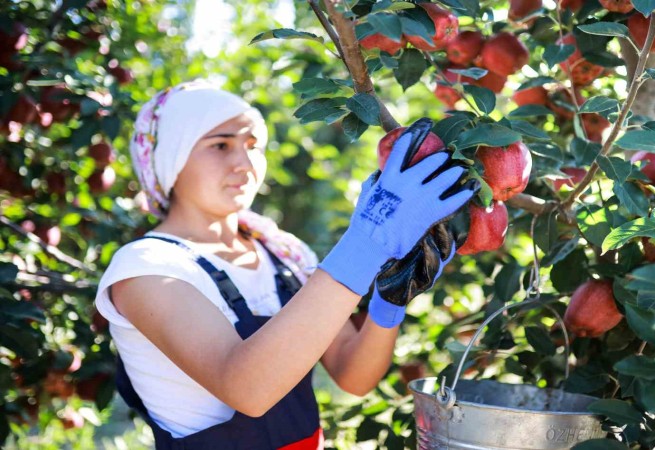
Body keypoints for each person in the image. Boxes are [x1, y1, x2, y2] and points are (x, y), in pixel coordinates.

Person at [94, 80, 478, 449]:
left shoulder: (283, 255)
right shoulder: (146, 268)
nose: (244, 162)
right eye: (220, 145)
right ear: (171, 158)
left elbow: (353, 374)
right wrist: (364, 245)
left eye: (253, 144)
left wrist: (389, 301)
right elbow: (246, 388)